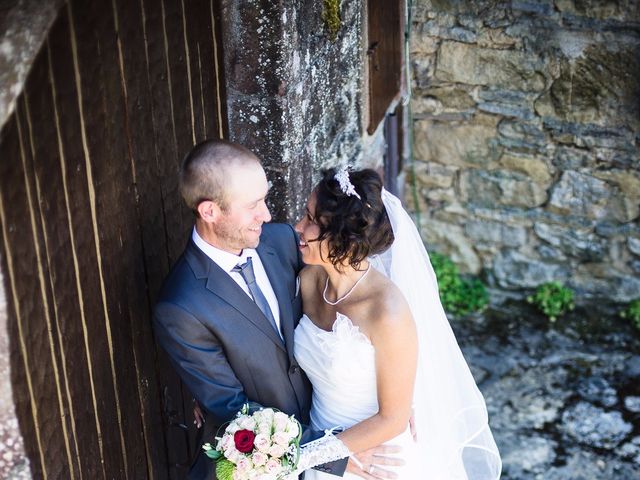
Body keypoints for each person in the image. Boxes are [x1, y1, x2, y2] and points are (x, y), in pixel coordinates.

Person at [153, 140, 397, 479]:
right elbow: (232, 411)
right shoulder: (181, 307)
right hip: (262, 467)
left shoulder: (281, 241)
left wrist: (396, 388)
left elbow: (357, 281)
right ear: (209, 211)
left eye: (264, 200)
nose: (267, 215)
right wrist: (332, 455)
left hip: (341, 422)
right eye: (253, 205)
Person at [290, 168, 502, 479]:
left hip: (375, 460)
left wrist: (307, 455)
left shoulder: (385, 311)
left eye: (311, 221)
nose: (298, 226)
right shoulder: (308, 279)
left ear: (343, 239)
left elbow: (393, 418)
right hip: (324, 447)